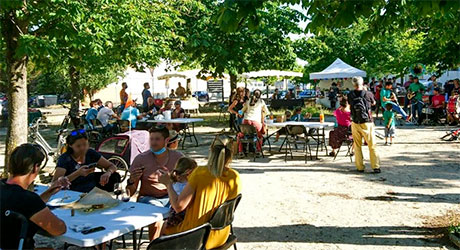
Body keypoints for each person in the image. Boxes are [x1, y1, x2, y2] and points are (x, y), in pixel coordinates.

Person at [160, 136, 241, 249]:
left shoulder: (200, 173)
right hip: (221, 234)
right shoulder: (235, 177)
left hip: (196, 236)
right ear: (232, 152)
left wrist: (168, 184)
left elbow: (179, 206)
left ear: (211, 150)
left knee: (163, 227)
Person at [1, 144, 69, 250]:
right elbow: (59, 229)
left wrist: (49, 192)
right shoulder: (28, 199)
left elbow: (24, 208)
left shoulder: (5, 188)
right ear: (35, 167)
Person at [127, 126, 183, 239]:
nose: (153, 143)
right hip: (148, 198)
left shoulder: (178, 158)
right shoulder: (141, 159)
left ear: (166, 140)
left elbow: (186, 183)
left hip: (170, 196)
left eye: (157, 139)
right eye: (151, 139)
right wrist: (131, 181)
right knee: (157, 218)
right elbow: (130, 193)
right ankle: (155, 245)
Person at [53, 130, 120, 193]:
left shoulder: (90, 153)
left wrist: (108, 173)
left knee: (115, 176)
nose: (82, 148)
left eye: (85, 144)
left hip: (92, 190)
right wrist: (78, 173)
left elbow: (112, 166)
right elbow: (54, 183)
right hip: (72, 192)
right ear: (70, 145)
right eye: (78, 146)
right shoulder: (65, 158)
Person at [347, 76, 380, 173]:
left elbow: (350, 105)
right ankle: (375, 166)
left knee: (357, 145)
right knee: (372, 145)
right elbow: (374, 103)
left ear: (353, 84)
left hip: (355, 122)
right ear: (362, 83)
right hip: (367, 122)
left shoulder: (350, 95)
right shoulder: (368, 94)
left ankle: (360, 166)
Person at [163, 157, 197, 230]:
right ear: (189, 172)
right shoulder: (188, 185)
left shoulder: (174, 183)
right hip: (181, 215)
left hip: (174, 212)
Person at [239, 89, 269, 154]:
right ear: (260, 95)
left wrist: (237, 112)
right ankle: (258, 151)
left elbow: (241, 111)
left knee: (240, 135)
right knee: (260, 136)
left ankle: (240, 151)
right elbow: (267, 112)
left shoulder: (247, 101)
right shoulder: (261, 102)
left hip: (246, 121)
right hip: (256, 122)